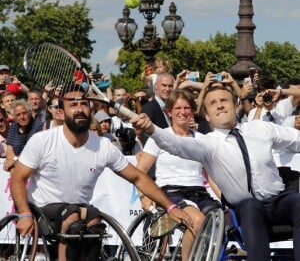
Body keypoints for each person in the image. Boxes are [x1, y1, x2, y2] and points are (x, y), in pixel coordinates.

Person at [10, 83, 193, 261]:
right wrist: (25, 213)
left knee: (95, 223)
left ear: (91, 109)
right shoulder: (42, 141)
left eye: (83, 103)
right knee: (73, 217)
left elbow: (138, 177)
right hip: (42, 209)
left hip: (80, 210)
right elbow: (17, 178)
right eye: (73, 105)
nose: (79, 109)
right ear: (60, 112)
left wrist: (170, 207)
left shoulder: (103, 146)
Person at [132, 86, 300, 261]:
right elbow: (176, 144)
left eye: (224, 100)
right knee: (250, 206)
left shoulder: (261, 128)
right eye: (213, 103)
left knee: (297, 201)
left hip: (278, 199)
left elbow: (296, 140)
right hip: (242, 207)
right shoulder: (208, 143)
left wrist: (284, 93)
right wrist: (151, 129)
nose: (220, 105)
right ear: (207, 116)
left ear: (235, 106)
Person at [136, 89, 219, 261]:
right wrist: (143, 197)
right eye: (178, 108)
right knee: (197, 220)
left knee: (222, 222)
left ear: (192, 111)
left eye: (187, 108)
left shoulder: (203, 139)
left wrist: (227, 201)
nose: (183, 112)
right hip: (171, 193)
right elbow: (140, 171)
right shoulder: (159, 137)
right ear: (169, 112)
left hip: (200, 194)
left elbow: (212, 177)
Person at [4, 99, 44, 172]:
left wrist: (14, 160)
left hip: (34, 168)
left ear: (30, 112)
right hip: (16, 166)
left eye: (24, 113)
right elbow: (9, 148)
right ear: (14, 117)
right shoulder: (13, 126)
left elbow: (34, 152)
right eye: (18, 115)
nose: (22, 117)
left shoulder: (38, 126)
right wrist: (10, 161)